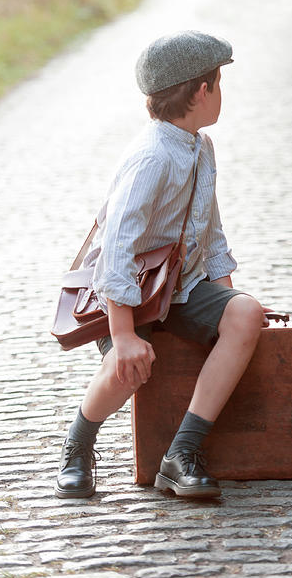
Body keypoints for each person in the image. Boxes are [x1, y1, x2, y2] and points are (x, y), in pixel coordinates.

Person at [56, 31, 268, 500]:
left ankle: (180, 456)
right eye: (218, 83)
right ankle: (78, 445)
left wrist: (229, 303)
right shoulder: (152, 157)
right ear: (200, 92)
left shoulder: (200, 146)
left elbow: (210, 233)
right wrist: (125, 334)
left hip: (181, 285)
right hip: (128, 291)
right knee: (129, 368)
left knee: (247, 313)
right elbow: (116, 251)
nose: (220, 93)